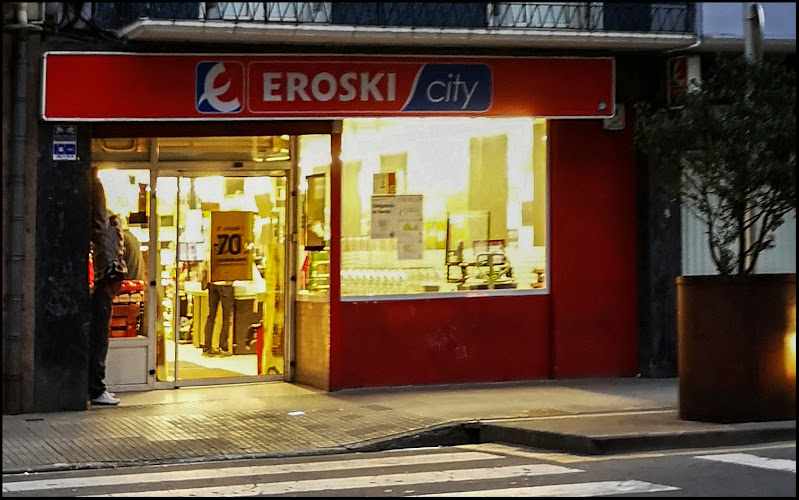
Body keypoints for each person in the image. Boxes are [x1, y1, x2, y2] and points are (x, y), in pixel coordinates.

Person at [89, 173, 127, 406]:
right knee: (98, 338)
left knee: (97, 338)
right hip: (102, 282)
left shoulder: (103, 232)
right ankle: (96, 388)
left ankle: (95, 387)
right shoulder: (106, 232)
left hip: (101, 281)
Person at [201, 261, 233, 357]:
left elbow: (205, 265)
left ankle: (207, 348)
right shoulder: (229, 249)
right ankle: (223, 347)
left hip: (212, 283)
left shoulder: (211, 246)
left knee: (211, 316)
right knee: (226, 317)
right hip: (226, 283)